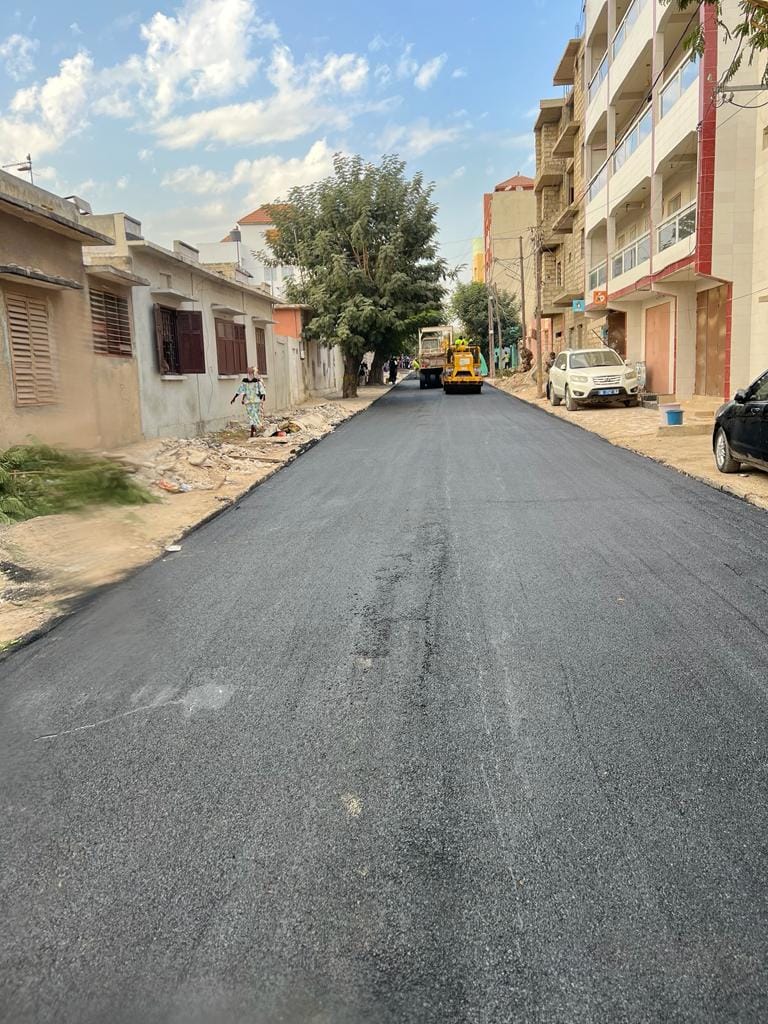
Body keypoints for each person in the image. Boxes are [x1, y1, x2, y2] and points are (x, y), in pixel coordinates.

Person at [231, 367, 267, 437]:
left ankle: (253, 428)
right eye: (248, 372)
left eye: (251, 372)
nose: (249, 374)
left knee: (254, 415)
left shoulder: (257, 381)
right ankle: (253, 428)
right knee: (251, 415)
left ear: (253, 373)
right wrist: (234, 398)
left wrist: (263, 398)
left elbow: (262, 391)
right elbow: (241, 390)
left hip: (256, 401)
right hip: (248, 401)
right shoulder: (245, 381)